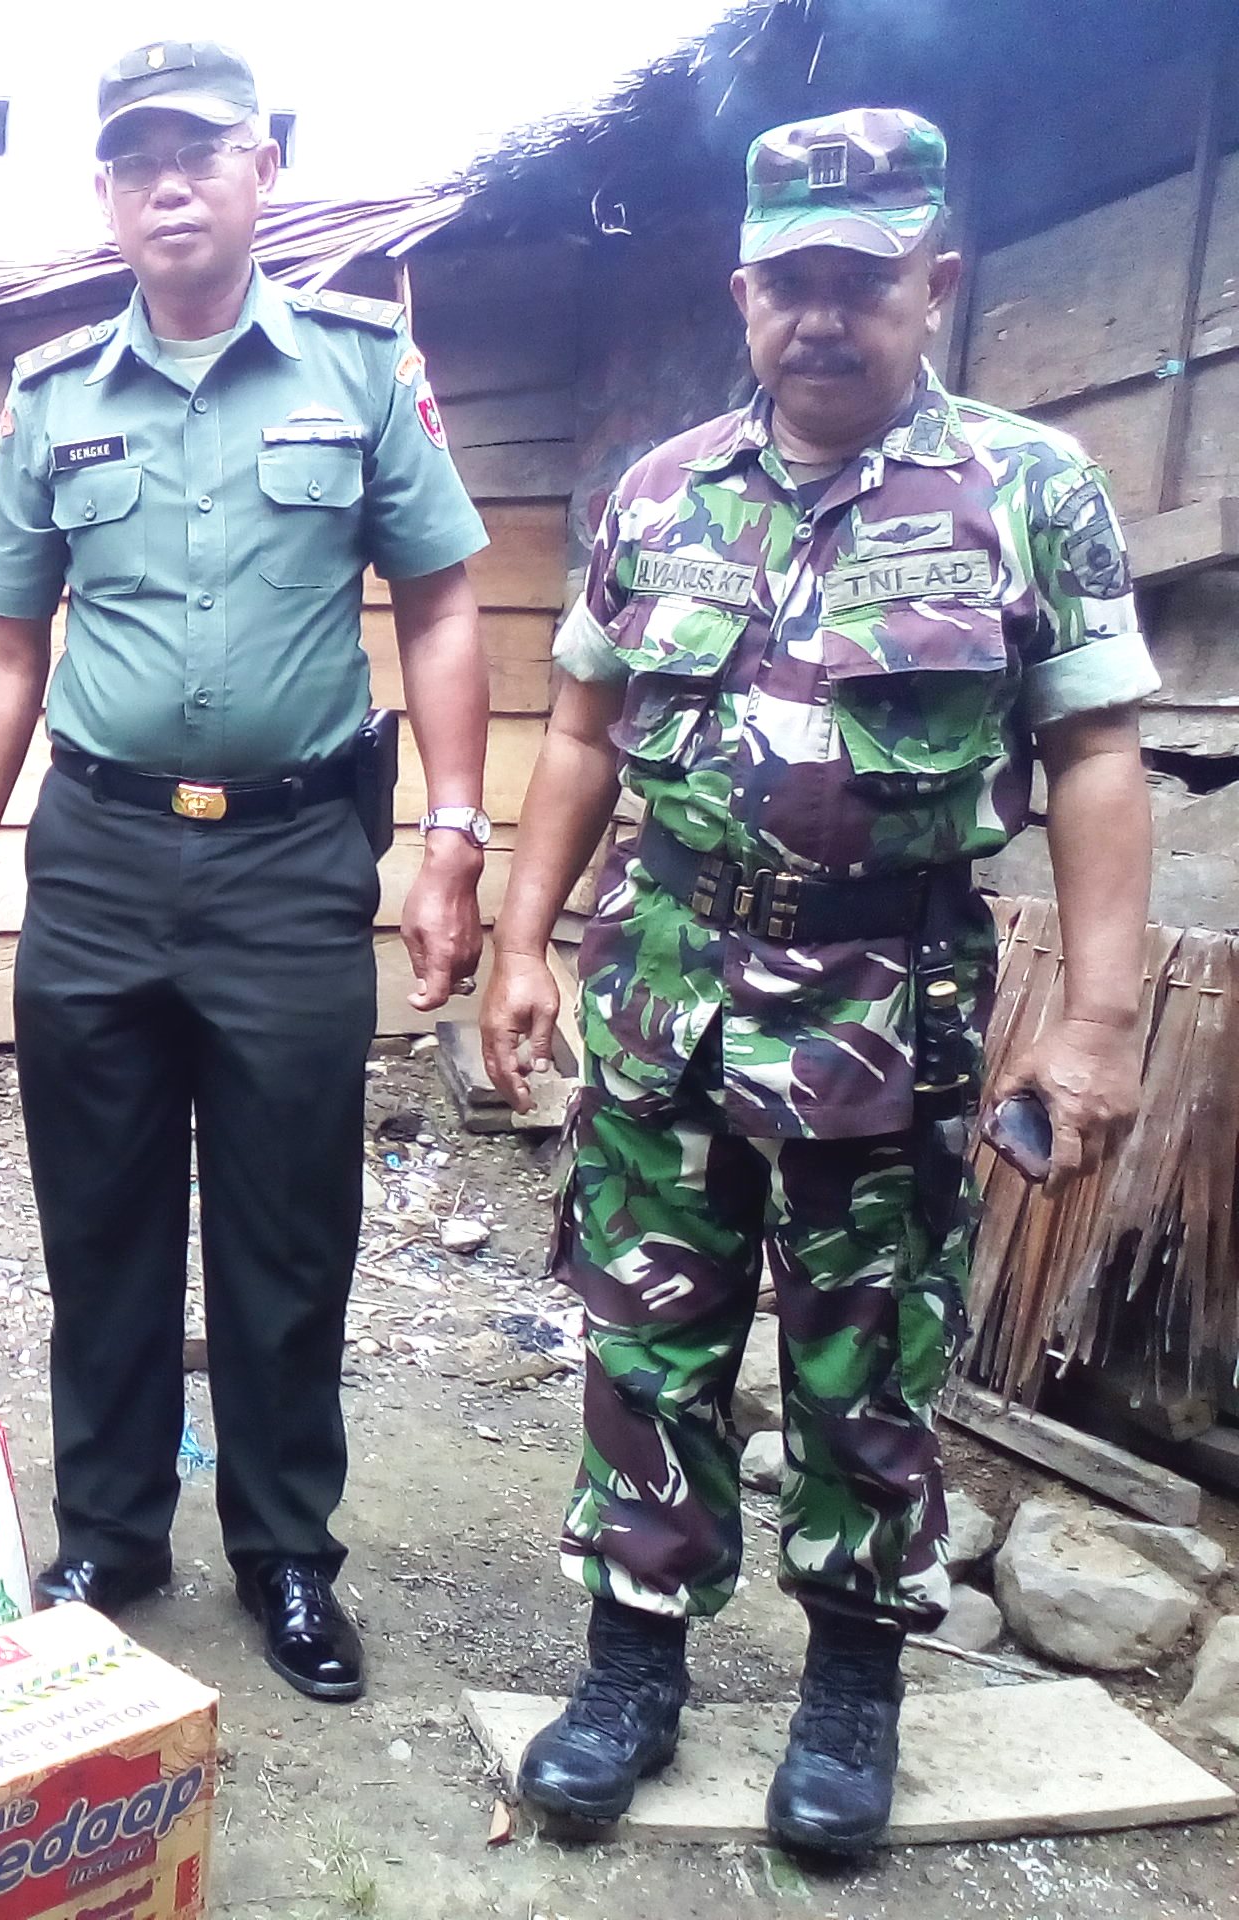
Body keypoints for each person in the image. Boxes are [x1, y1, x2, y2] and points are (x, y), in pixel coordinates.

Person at [480, 109, 1155, 1856]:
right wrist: (522, 940)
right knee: (648, 1331)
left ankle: (853, 1687)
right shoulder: (659, 491)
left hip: (887, 997)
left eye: (864, 280)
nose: (825, 317)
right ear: (745, 293)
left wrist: (1096, 1022)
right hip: (668, 985)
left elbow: (1094, 754)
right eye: (793, 283)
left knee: (870, 1352)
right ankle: (633, 1668)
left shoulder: (1028, 489)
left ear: (937, 283)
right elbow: (580, 730)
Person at [0, 39, 494, 1703]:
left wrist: (455, 834)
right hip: (102, 858)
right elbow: (1, 643)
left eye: (201, 150)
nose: (169, 182)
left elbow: (444, 602)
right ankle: (111, 1534)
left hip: (291, 859)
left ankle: (287, 1553)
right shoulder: (53, 399)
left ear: (265, 166)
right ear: (107, 196)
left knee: (287, 1225)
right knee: (100, 1216)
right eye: (137, 159)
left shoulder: (360, 368)